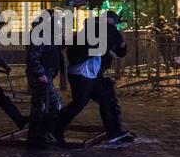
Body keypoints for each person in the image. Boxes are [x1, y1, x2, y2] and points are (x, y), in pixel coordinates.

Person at [53, 16, 133, 145]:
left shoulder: (97, 36)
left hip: (91, 75)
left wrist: (120, 45)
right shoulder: (83, 38)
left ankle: (113, 132)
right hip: (81, 75)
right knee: (79, 104)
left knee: (105, 99)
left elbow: (116, 49)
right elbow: (90, 49)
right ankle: (55, 129)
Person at [26, 9, 64, 149]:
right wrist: (40, 73)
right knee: (54, 105)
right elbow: (33, 56)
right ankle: (42, 134)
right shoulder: (40, 33)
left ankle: (36, 136)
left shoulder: (49, 33)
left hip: (47, 74)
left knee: (39, 106)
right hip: (41, 76)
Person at [98, 11, 135, 138]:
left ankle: (114, 130)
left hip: (96, 71)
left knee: (107, 101)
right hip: (91, 71)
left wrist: (122, 46)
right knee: (108, 100)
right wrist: (108, 51)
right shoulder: (99, 29)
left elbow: (120, 51)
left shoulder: (111, 31)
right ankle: (114, 131)